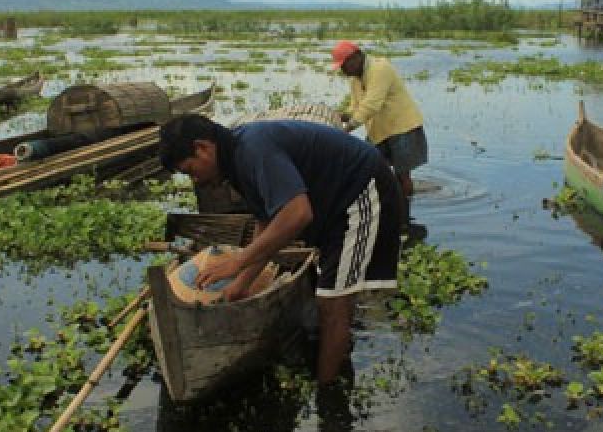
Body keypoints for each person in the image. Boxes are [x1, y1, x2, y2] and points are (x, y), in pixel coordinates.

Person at [159, 114, 403, 385]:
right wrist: (242, 284)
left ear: (202, 148)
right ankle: (334, 366)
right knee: (330, 291)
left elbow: (297, 214)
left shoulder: (254, 149)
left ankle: (328, 394)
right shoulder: (237, 159)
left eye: (190, 170)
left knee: (333, 302)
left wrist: (239, 261)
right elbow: (268, 221)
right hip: (334, 205)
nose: (195, 180)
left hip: (360, 190)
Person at [331, 40, 427, 205]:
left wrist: (348, 129)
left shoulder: (380, 69)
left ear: (357, 57)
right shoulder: (355, 79)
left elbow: (371, 105)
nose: (343, 70)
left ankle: (405, 213)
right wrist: (339, 116)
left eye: (344, 65)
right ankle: (388, 204)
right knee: (366, 166)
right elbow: (356, 106)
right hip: (380, 130)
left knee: (402, 175)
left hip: (402, 128)